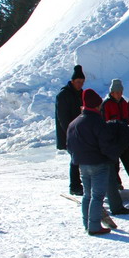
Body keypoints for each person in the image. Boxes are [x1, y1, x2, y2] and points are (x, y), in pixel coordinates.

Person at [66, 89, 129, 235]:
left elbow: (69, 146)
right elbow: (106, 145)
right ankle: (95, 226)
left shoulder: (74, 123)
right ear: (96, 105)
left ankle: (87, 224)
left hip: (83, 164)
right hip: (98, 164)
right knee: (97, 196)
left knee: (87, 195)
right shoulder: (97, 122)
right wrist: (118, 149)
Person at [56, 65, 86, 195]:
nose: (80, 85)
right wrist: (71, 132)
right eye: (78, 82)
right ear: (72, 81)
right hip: (69, 133)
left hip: (80, 132)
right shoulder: (63, 95)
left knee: (80, 158)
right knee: (75, 159)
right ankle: (74, 186)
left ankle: (79, 184)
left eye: (82, 82)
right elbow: (62, 118)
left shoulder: (81, 94)